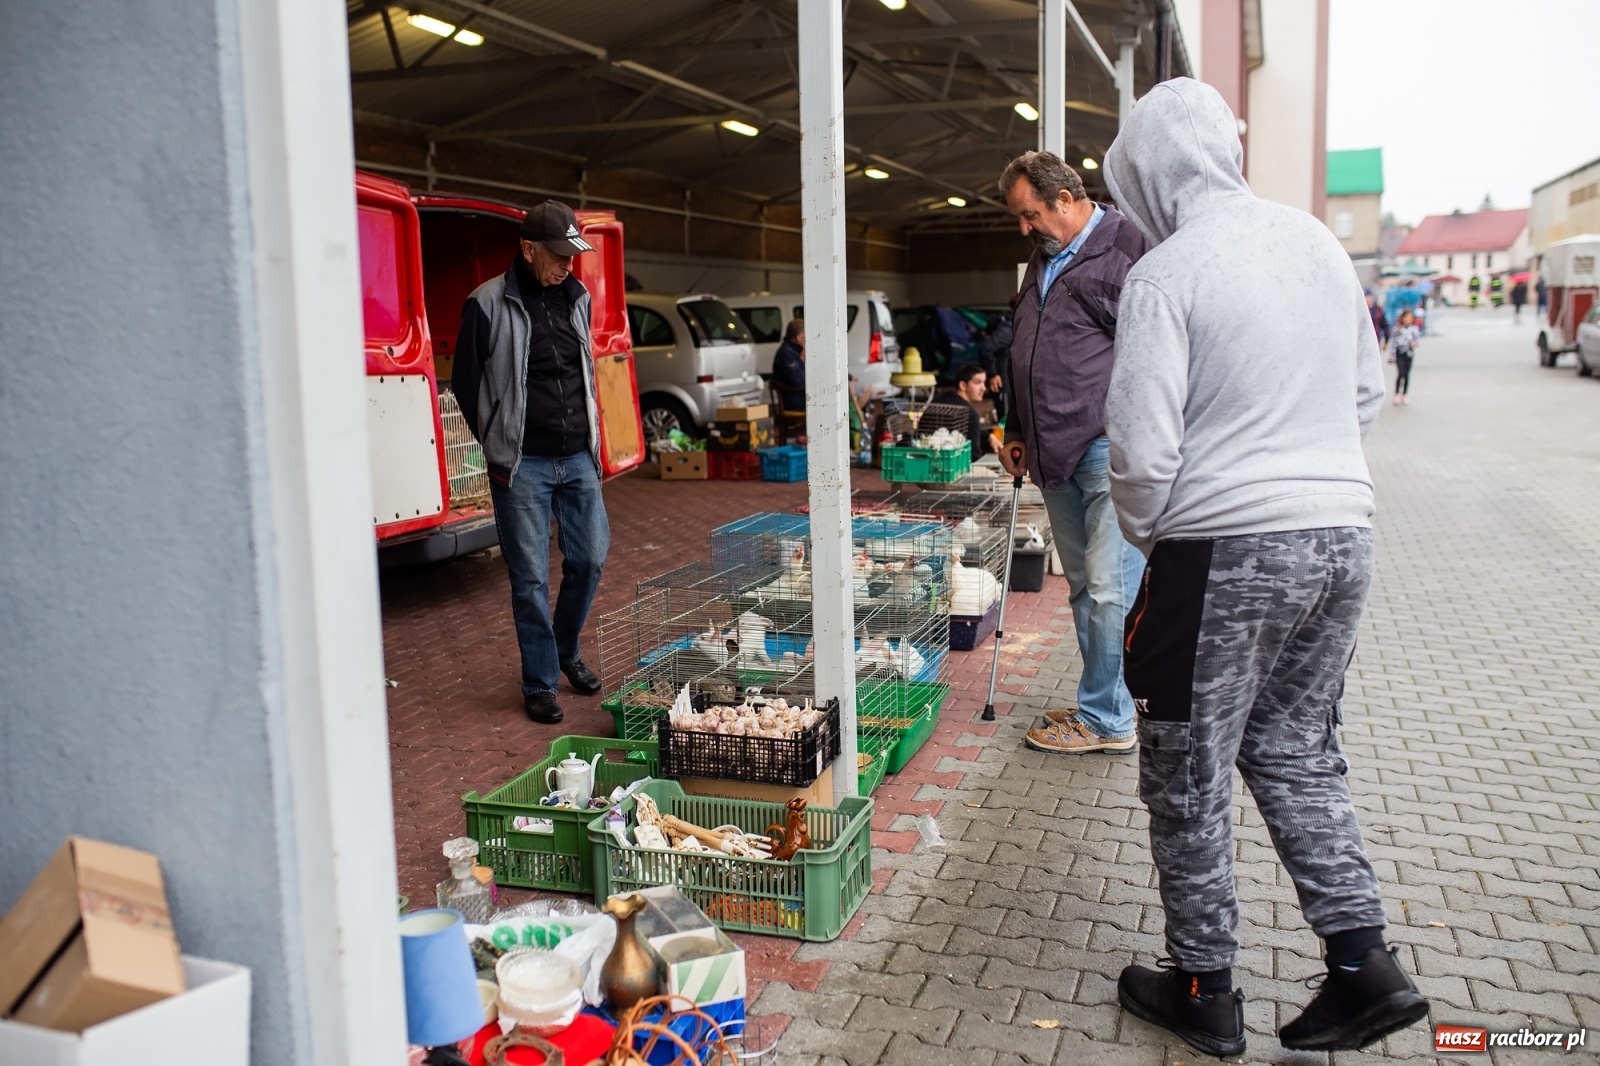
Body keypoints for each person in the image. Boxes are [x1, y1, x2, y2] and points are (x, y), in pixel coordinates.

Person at [1101, 79, 1428, 1057]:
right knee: (1295, 750)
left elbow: (1143, 454)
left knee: (1186, 773)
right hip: (1341, 536)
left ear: (1148, 173)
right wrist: (1307, 469)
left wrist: (1156, 532)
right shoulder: (1317, 246)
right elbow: (1365, 390)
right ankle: (1363, 964)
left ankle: (1202, 985)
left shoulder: (1166, 274)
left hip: (1219, 552)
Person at [996, 149, 1149, 755]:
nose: (1024, 227)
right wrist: (1015, 427)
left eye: (1029, 213)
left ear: (1065, 199)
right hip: (1050, 450)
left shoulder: (1127, 248)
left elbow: (1154, 355)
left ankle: (1110, 721)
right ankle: (1103, 701)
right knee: (1085, 587)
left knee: (1112, 589)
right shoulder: (1042, 259)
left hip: (1109, 448)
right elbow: (1024, 352)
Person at [453, 200, 610, 725]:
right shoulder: (487, 303)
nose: (568, 263)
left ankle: (563, 650)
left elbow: (583, 373)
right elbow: (466, 383)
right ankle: (540, 681)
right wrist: (498, 438)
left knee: (589, 560)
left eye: (572, 254)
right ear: (527, 249)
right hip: (523, 465)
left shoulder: (577, 298)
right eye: (558, 254)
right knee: (530, 581)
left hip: (578, 457)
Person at [933, 364, 997, 459]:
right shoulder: (970, 414)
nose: (983, 388)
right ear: (963, 385)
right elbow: (974, 456)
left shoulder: (941, 398)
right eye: (977, 382)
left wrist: (989, 436)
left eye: (984, 383)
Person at [977, 309, 1012, 420]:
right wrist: (993, 373)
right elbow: (986, 348)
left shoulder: (1012, 325)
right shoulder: (1008, 328)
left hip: (1007, 380)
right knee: (1006, 419)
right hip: (1003, 383)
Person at [770, 318, 806, 413]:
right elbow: (797, 380)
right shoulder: (787, 353)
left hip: (800, 397)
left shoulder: (794, 352)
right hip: (796, 401)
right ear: (798, 337)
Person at [1390, 309, 1420, 404]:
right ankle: (1397, 393)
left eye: (1409, 318)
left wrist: (1414, 344)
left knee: (1407, 374)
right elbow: (1394, 343)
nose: (1408, 319)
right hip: (1400, 353)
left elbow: (1418, 340)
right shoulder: (1398, 329)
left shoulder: (1414, 329)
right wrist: (1392, 355)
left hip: (1409, 353)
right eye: (1406, 317)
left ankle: (1405, 394)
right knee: (1401, 373)